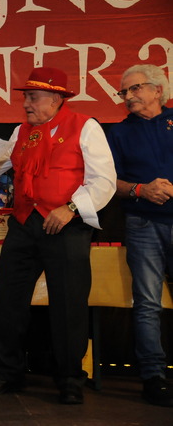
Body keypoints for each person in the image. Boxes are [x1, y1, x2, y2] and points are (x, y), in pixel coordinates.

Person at [0, 67, 116, 405]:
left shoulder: (85, 126)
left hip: (66, 225)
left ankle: (69, 379)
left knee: (68, 304)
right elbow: (2, 163)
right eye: (26, 97)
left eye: (33, 97)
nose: (26, 104)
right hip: (24, 223)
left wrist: (71, 208)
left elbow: (104, 180)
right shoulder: (20, 131)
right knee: (8, 299)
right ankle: (9, 373)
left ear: (55, 99)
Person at [106, 64, 173, 407]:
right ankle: (153, 377)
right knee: (147, 303)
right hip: (142, 223)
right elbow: (108, 182)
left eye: (135, 88)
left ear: (158, 90)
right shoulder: (118, 133)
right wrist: (141, 189)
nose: (128, 96)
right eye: (124, 91)